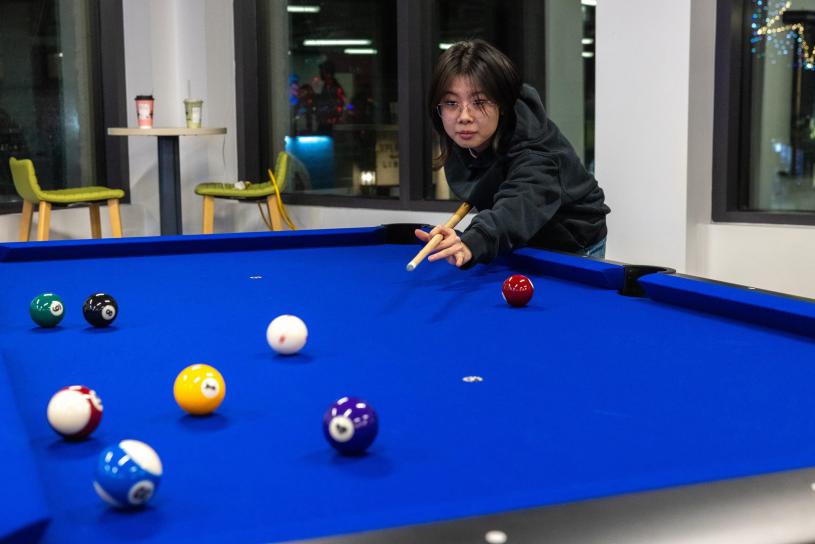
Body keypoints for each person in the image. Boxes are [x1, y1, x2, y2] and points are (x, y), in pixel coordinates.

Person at [416, 40, 610, 268]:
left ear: (502, 104)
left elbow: (518, 204)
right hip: (520, 235)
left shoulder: (535, 151)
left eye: (479, 102)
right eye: (451, 102)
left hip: (571, 240)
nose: (464, 116)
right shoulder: (464, 132)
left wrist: (472, 242)